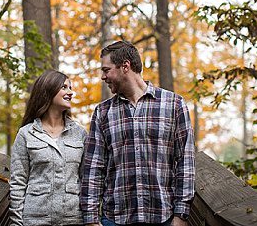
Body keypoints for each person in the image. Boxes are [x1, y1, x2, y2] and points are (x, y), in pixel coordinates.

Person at [80, 40, 195, 226]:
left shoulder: (174, 105)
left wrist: (181, 215)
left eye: (106, 70)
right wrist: (91, 220)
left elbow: (185, 163)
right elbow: (93, 169)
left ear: (125, 66)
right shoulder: (102, 112)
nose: (103, 76)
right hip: (115, 219)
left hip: (163, 217)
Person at [9, 69, 86, 226]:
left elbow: (86, 180)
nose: (70, 92)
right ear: (48, 90)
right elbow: (18, 182)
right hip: (35, 220)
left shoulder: (80, 134)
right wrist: (16, 223)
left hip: (72, 220)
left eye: (70, 87)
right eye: (64, 87)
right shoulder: (26, 134)